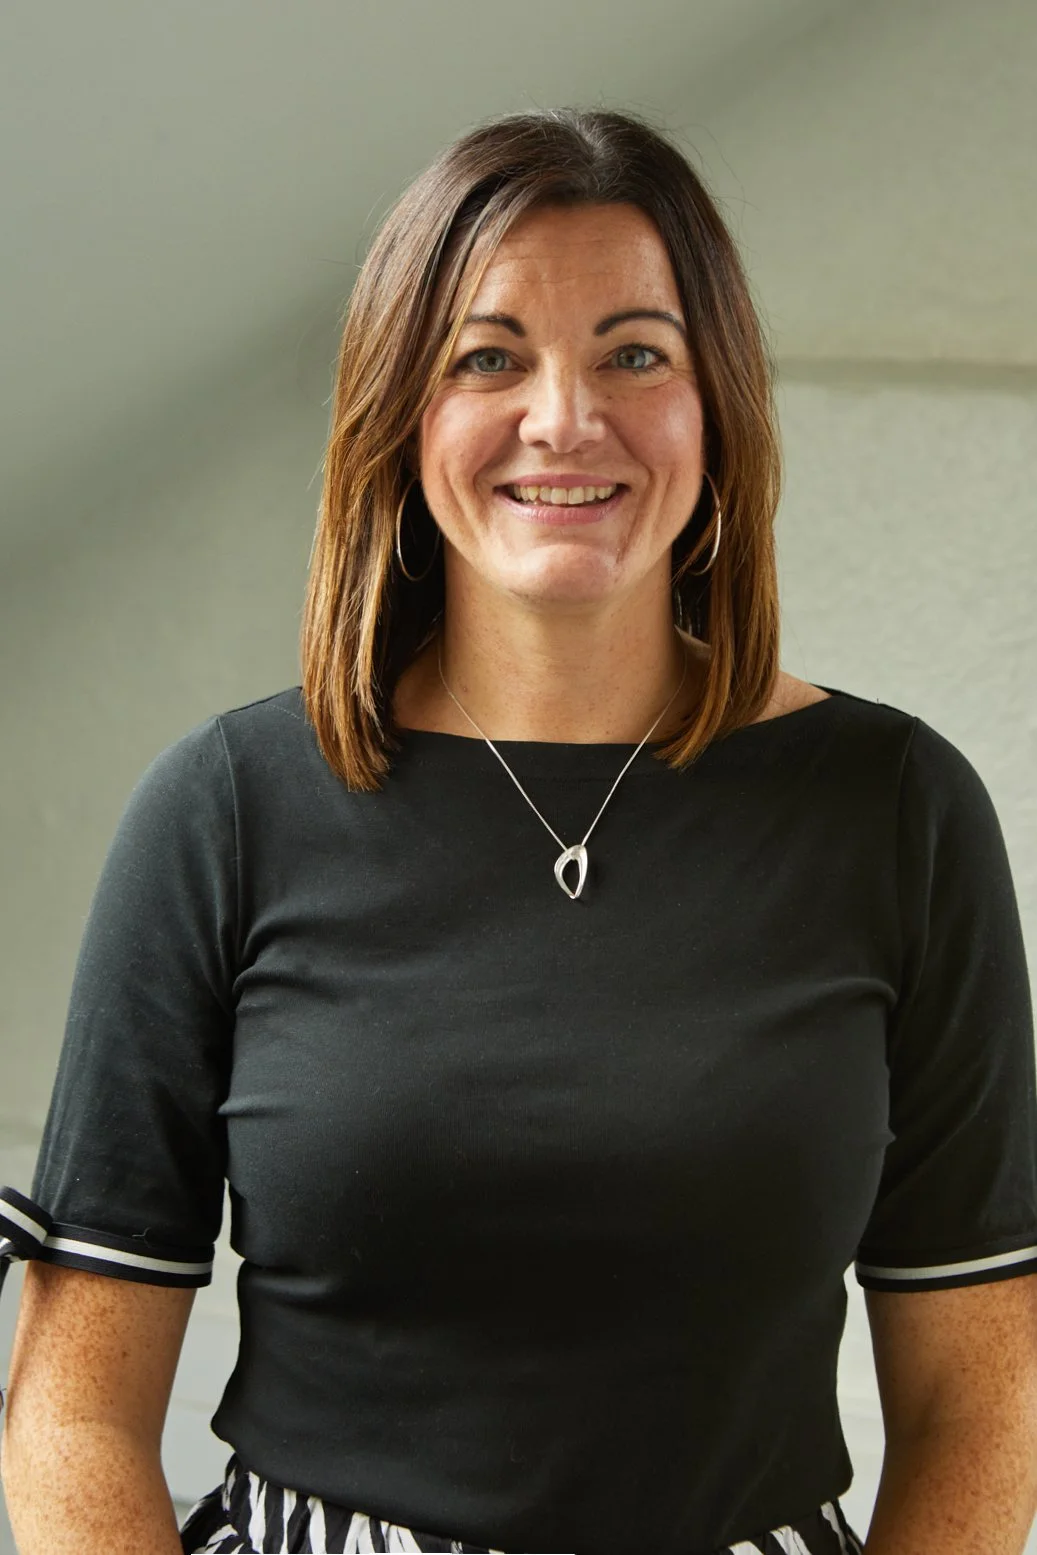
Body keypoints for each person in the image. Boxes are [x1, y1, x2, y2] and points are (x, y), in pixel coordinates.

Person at [2, 105, 1037, 1555]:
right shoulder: (224, 810)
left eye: (636, 352)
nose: (566, 418)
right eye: (490, 357)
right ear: (400, 415)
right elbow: (70, 1411)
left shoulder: (900, 813)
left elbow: (981, 1406)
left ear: (715, 406)